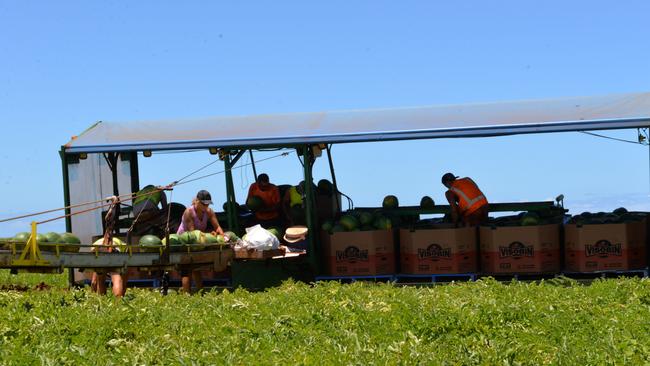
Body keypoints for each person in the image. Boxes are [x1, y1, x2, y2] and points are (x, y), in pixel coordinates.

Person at [176, 190, 226, 293]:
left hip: (199, 240)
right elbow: (193, 234)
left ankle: (200, 292)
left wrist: (222, 237)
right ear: (197, 201)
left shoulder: (209, 211)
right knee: (187, 269)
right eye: (204, 204)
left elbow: (218, 227)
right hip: (185, 242)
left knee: (197, 268)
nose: (206, 206)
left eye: (208, 204)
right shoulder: (188, 212)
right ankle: (186, 296)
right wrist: (209, 235)